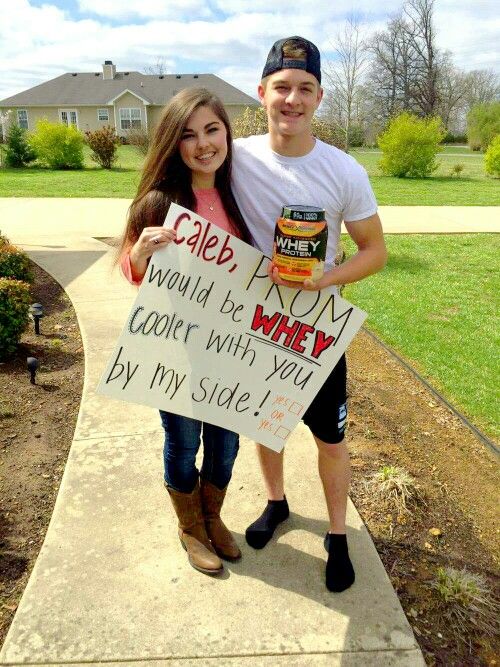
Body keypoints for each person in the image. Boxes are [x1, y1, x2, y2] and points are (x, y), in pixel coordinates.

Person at [231, 36, 387, 593]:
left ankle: (339, 534)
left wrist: (327, 277)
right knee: (265, 425)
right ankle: (276, 504)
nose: (291, 99)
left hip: (318, 333)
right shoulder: (237, 156)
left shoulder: (344, 171)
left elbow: (375, 250)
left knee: (329, 439)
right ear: (262, 93)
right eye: (282, 88)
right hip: (253, 327)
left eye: (304, 89)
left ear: (319, 97)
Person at [117, 87, 253, 576]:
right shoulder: (158, 203)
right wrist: (139, 254)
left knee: (227, 441)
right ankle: (190, 527)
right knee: (183, 441)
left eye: (212, 130)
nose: (202, 144)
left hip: (230, 352)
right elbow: (130, 271)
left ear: (227, 134)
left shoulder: (241, 199)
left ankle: (213, 515)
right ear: (173, 143)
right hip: (172, 352)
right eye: (188, 135)